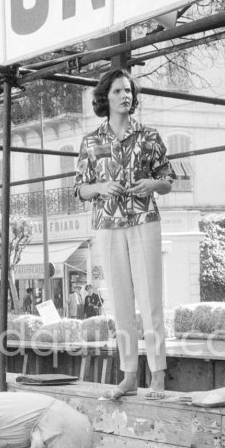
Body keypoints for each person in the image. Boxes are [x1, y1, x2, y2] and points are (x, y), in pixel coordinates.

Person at [74, 68, 173, 400]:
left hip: (145, 220)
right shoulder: (91, 141)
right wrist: (101, 186)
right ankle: (130, 375)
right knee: (120, 304)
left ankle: (158, 376)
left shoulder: (149, 136)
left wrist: (151, 184)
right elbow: (81, 189)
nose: (125, 96)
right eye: (118, 91)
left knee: (151, 300)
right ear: (106, 98)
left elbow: (167, 181)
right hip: (108, 224)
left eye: (129, 91)